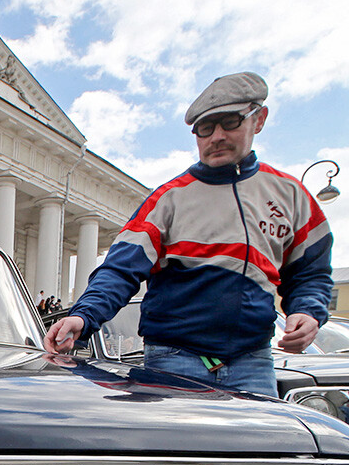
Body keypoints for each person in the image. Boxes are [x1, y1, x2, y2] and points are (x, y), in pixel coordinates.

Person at [44, 72, 333, 397]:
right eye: (205, 129)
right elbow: (119, 270)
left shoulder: (292, 196)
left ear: (259, 118)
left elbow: (311, 272)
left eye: (230, 122)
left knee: (257, 449)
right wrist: (84, 316)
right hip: (175, 360)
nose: (217, 137)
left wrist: (307, 310)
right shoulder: (168, 199)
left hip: (253, 362)